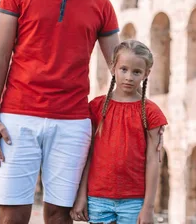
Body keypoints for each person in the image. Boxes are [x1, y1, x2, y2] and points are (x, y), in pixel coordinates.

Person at [0, 0, 163, 224]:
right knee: (13, 215)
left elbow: (119, 66)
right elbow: (0, 54)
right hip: (18, 116)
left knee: (59, 215)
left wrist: (140, 119)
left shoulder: (102, 6)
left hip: (72, 120)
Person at [70, 40, 167, 224]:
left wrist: (148, 207)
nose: (129, 77)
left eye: (136, 72)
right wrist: (81, 196)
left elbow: (153, 161)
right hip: (98, 199)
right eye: (124, 69)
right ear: (113, 67)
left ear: (146, 74)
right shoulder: (96, 107)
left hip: (134, 202)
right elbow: (87, 155)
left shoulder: (150, 112)